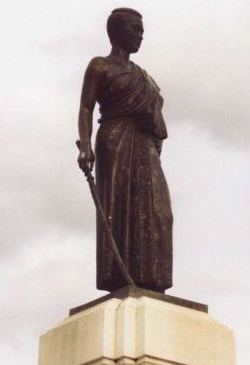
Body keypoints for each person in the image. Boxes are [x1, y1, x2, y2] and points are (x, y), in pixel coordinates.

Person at [78, 8, 173, 293]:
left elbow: (157, 107)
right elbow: (85, 107)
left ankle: (152, 278)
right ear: (117, 31)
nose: (141, 35)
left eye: (142, 30)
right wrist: (85, 145)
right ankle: (120, 278)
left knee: (159, 212)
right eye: (135, 29)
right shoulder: (100, 66)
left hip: (144, 144)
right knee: (118, 207)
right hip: (115, 141)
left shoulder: (143, 75)